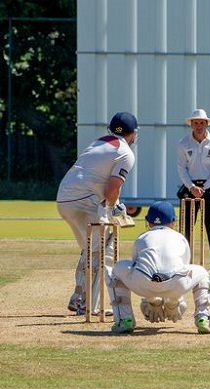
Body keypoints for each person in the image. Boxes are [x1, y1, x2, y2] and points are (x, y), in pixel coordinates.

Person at [56, 112, 139, 315]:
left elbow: (99, 182)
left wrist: (114, 206)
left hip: (65, 198)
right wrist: (110, 210)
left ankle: (79, 299)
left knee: (90, 249)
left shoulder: (99, 142)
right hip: (83, 201)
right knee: (102, 250)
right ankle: (86, 304)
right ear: (134, 133)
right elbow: (112, 188)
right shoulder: (126, 153)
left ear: (111, 129)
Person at [105, 201, 210, 334]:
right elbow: (183, 268)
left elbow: (136, 266)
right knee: (204, 273)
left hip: (143, 284)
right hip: (177, 284)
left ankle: (125, 320)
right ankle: (204, 319)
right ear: (173, 222)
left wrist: (150, 298)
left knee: (116, 270)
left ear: (148, 222)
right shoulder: (180, 237)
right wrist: (175, 300)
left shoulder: (142, 237)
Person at [177, 109, 210, 271]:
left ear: (206, 124)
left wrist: (204, 188)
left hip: (209, 188)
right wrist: (192, 187)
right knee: (186, 227)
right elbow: (181, 168)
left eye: (201, 123)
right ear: (191, 124)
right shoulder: (183, 144)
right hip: (190, 188)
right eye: (196, 123)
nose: (199, 126)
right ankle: (184, 262)